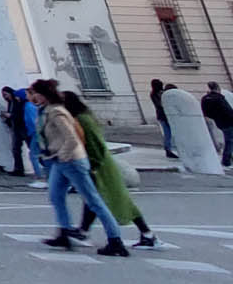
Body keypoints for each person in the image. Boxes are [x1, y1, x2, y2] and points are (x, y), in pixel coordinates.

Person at [28, 78, 128, 256]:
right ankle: (64, 232)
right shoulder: (46, 111)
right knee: (55, 195)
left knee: (93, 201)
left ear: (43, 94)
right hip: (60, 161)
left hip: (71, 161)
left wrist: (62, 156)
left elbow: (72, 138)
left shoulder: (57, 112)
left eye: (35, 92)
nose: (33, 96)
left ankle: (115, 240)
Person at [61, 89, 155, 248]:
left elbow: (95, 144)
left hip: (100, 166)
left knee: (116, 200)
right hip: (98, 164)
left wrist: (93, 165)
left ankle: (147, 234)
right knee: (92, 199)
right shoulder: (81, 117)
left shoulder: (82, 119)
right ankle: (83, 232)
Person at [2, 86, 34, 177]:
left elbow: (20, 115)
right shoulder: (10, 103)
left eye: (5, 94)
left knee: (32, 149)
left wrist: (10, 116)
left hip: (23, 128)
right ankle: (18, 169)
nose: (5, 97)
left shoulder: (20, 103)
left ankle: (41, 167)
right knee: (16, 149)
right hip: (16, 128)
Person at [149, 79, 175, 158]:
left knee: (168, 133)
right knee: (168, 133)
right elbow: (160, 105)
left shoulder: (155, 93)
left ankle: (169, 149)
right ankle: (168, 149)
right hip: (163, 115)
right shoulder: (157, 94)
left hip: (162, 115)